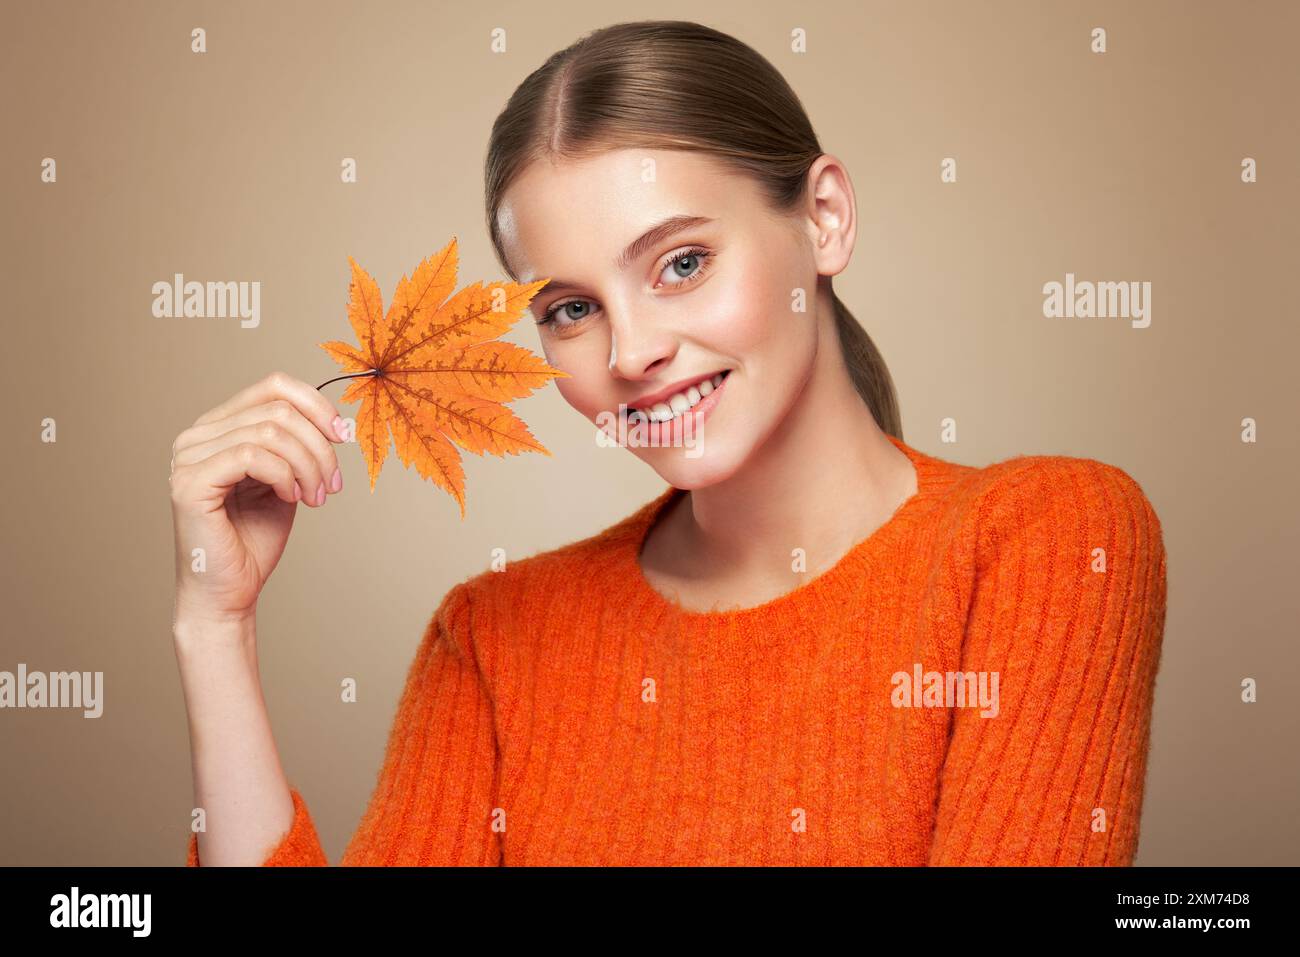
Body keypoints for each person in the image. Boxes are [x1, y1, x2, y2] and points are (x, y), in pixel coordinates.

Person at [172, 20, 1167, 866]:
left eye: (681, 263)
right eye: (569, 309)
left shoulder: (1043, 539)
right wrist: (217, 630)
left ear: (822, 220)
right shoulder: (493, 637)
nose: (634, 350)